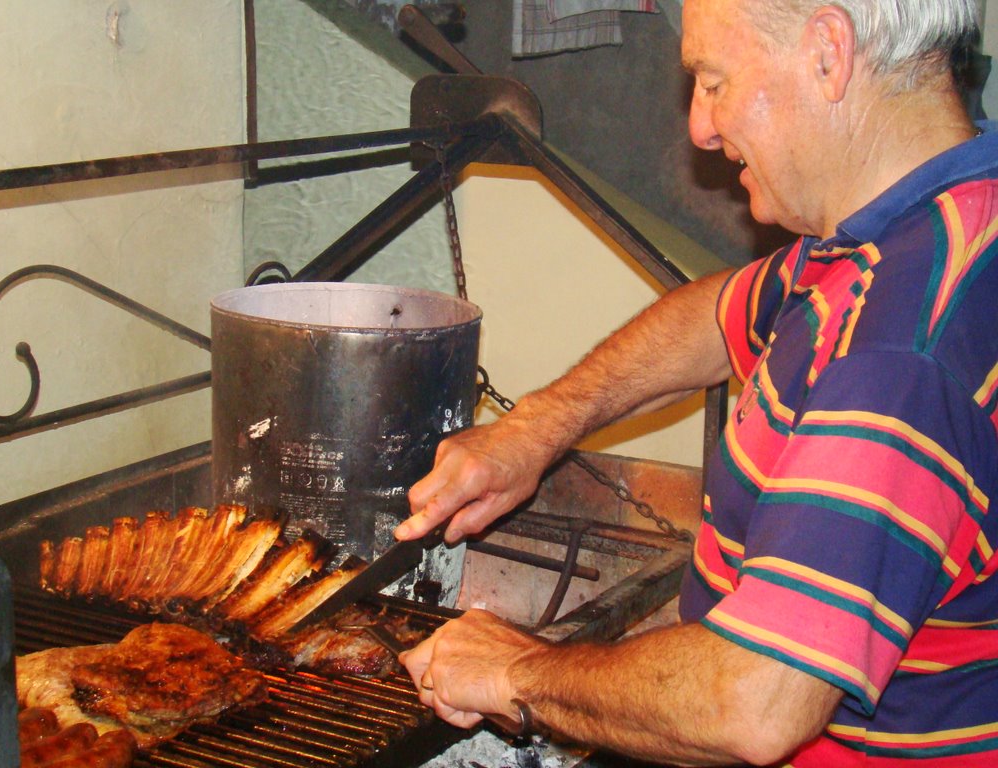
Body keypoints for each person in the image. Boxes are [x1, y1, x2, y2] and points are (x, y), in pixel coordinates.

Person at [395, 0, 998, 764]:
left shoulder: (900, 352)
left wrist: (517, 671)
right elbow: (719, 316)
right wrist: (532, 429)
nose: (700, 128)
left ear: (827, 51)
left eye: (714, 81)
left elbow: (755, 702)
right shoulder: (925, 220)